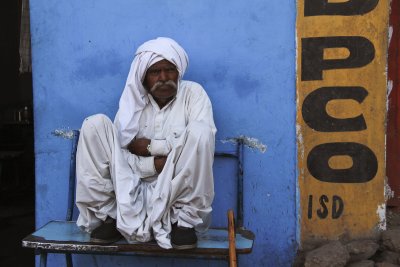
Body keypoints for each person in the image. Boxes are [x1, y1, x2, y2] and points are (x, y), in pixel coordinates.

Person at [75, 37, 216, 250]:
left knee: (200, 131)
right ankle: (109, 218)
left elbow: (199, 146)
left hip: (175, 192)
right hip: (129, 188)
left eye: (170, 70)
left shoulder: (193, 94)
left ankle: (183, 224)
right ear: (143, 77)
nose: (164, 77)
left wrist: (151, 147)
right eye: (155, 72)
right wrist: (155, 165)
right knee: (94, 124)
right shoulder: (132, 105)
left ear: (178, 72)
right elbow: (120, 158)